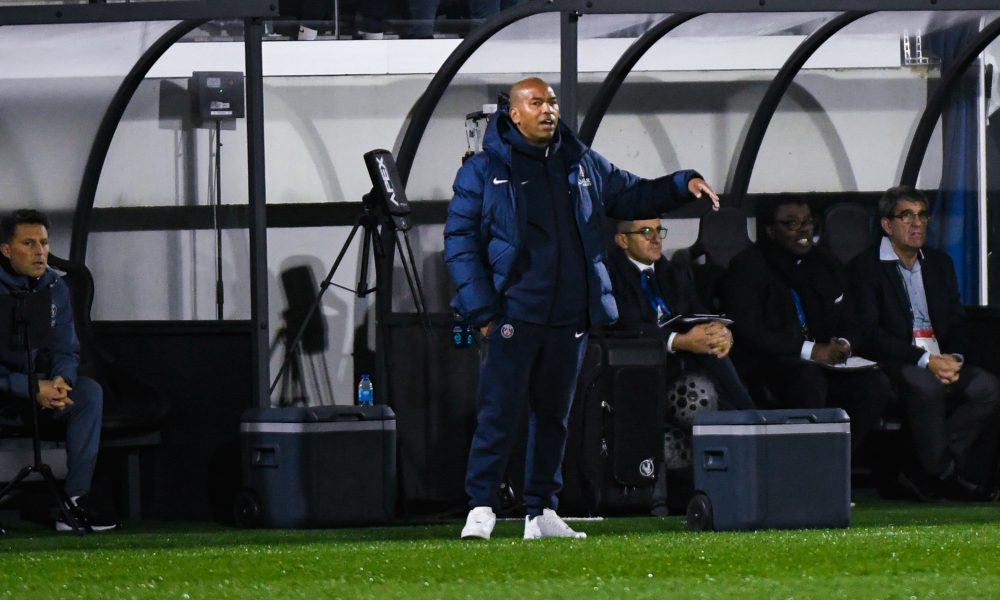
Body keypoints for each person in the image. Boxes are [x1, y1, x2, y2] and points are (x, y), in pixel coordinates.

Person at [444, 77, 719, 540]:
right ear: (513, 114)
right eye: (536, 103)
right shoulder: (483, 169)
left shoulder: (580, 161)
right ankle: (482, 507)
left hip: (569, 315)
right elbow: (460, 243)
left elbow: (631, 194)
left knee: (555, 417)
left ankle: (540, 511)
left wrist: (680, 183)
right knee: (499, 414)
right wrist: (484, 315)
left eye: (551, 101)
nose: (548, 109)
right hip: (513, 315)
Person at [849, 186, 1000, 501]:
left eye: (922, 215)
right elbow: (871, 334)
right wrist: (924, 361)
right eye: (907, 215)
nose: (917, 223)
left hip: (940, 358)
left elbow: (958, 321)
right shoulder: (866, 267)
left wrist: (953, 358)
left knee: (987, 387)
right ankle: (941, 475)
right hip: (895, 360)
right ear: (887, 225)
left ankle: (924, 471)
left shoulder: (939, 264)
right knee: (926, 386)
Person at [719, 198, 891, 449]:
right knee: (808, 380)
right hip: (772, 364)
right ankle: (805, 463)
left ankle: (838, 460)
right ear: (770, 230)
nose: (804, 229)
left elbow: (852, 320)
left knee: (875, 385)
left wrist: (844, 344)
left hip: (826, 365)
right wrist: (811, 350)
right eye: (791, 223)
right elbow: (750, 332)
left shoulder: (825, 262)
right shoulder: (748, 267)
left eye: (808, 222)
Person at [0, 209, 118, 531]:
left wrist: (61, 382)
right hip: (8, 391)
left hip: (38, 391)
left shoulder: (55, 287)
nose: (40, 251)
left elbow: (66, 348)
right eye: (29, 243)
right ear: (6, 250)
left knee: (88, 393)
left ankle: (74, 504)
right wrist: (28, 387)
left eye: (44, 243)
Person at [606, 217, 753, 410]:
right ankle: (749, 419)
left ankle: (749, 418)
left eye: (658, 231)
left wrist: (720, 332)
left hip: (686, 354)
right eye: (646, 232)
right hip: (641, 359)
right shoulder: (607, 274)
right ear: (623, 240)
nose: (657, 239)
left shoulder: (673, 270)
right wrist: (679, 341)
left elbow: (696, 310)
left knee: (714, 347)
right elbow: (624, 324)